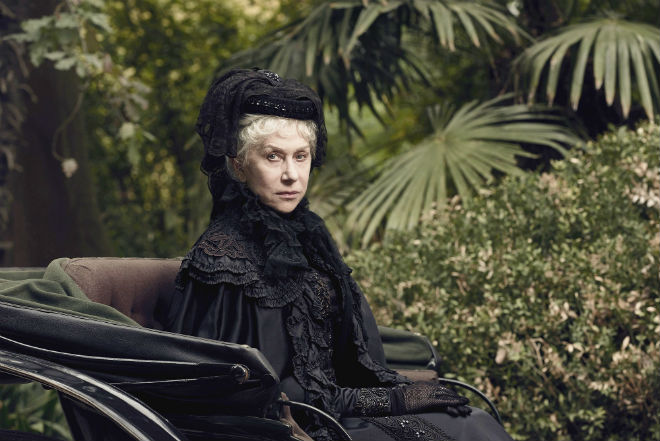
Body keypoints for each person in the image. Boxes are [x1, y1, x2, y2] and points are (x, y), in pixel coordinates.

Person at [164, 68, 513, 441]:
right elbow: (268, 393)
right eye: (273, 157)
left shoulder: (308, 239)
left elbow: (348, 361)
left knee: (472, 420)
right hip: (292, 427)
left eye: (301, 156)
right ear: (238, 164)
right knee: (466, 431)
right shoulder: (226, 259)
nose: (291, 175)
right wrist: (391, 400)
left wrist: (398, 395)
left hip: (335, 412)